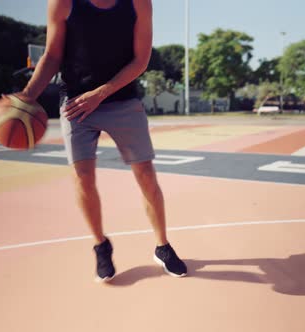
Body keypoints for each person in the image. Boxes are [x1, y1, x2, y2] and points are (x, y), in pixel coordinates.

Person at [11, 0, 187, 282]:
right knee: (83, 178)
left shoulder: (139, 3)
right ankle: (101, 245)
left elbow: (140, 60)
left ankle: (162, 246)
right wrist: (27, 97)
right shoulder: (62, 3)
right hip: (76, 103)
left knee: (145, 175)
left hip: (121, 99)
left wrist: (101, 93)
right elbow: (53, 56)